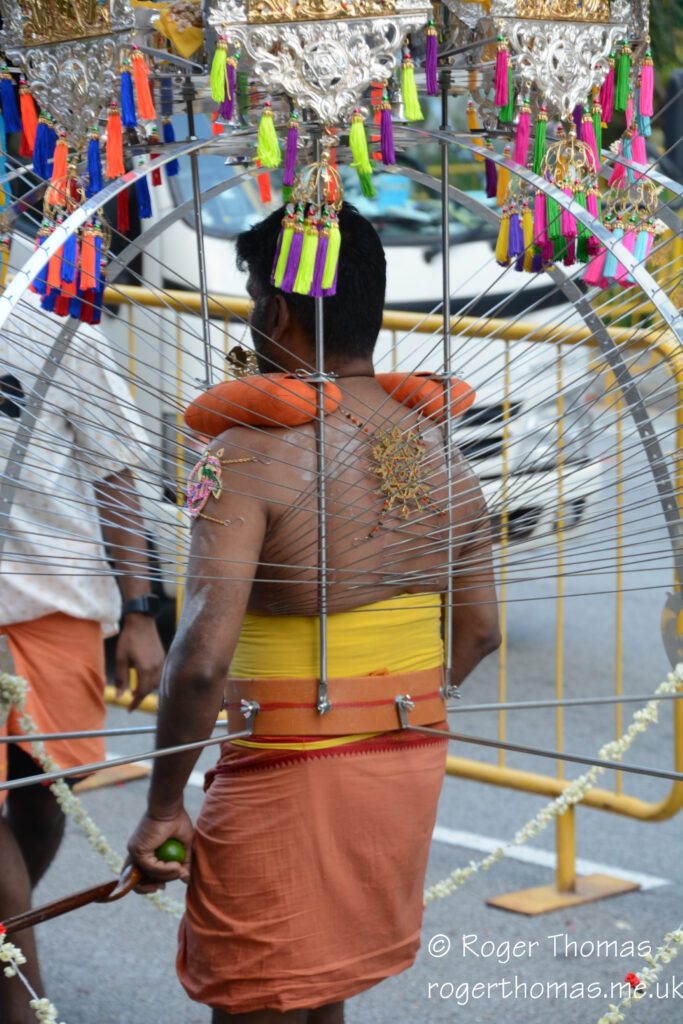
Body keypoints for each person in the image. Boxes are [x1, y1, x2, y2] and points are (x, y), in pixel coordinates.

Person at [127, 202, 500, 1024]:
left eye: (257, 294)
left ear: (277, 310)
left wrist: (162, 807)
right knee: (318, 984)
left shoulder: (245, 452)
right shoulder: (439, 449)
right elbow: (480, 631)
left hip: (285, 771)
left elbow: (199, 659)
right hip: (402, 759)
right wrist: (383, 709)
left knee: (258, 997)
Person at [0, 290, 165, 1023]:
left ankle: (7, 929)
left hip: (58, 608)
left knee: (48, 794)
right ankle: (20, 996)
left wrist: (139, 611)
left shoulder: (56, 322)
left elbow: (114, 470)